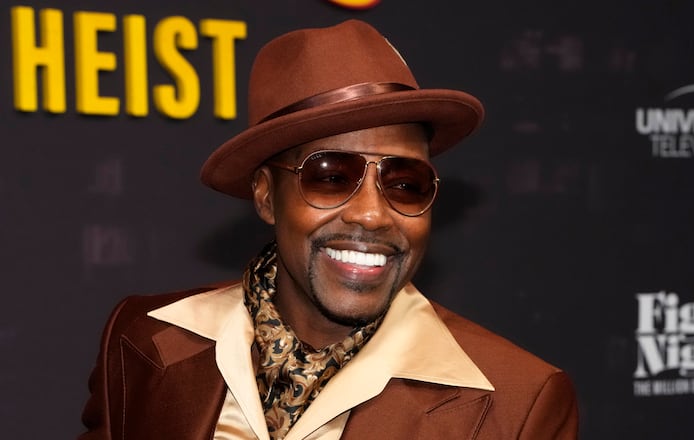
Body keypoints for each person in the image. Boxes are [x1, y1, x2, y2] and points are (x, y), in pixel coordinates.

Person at [78, 19, 579, 440]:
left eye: (405, 183)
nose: (372, 214)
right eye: (332, 176)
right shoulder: (143, 338)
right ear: (266, 196)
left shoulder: (519, 406)